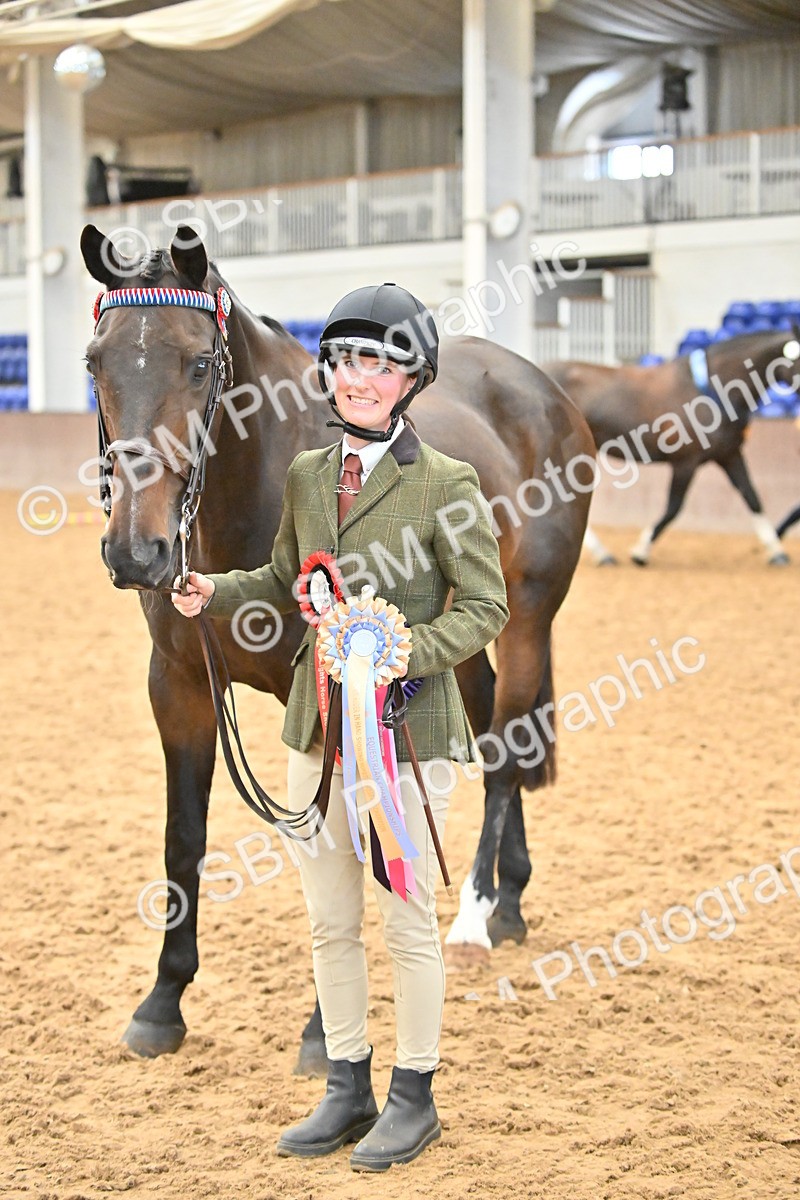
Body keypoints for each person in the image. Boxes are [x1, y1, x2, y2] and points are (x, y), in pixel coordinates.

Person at [171, 283, 508, 1171]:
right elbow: (286, 573)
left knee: (405, 921)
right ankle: (347, 1084)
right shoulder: (308, 475)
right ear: (331, 372)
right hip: (318, 730)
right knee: (328, 922)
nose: (362, 378)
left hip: (408, 731)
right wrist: (217, 591)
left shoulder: (448, 483)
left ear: (412, 378)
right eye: (350, 360)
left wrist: (403, 650)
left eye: (383, 363)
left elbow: (486, 605)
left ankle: (415, 1093)